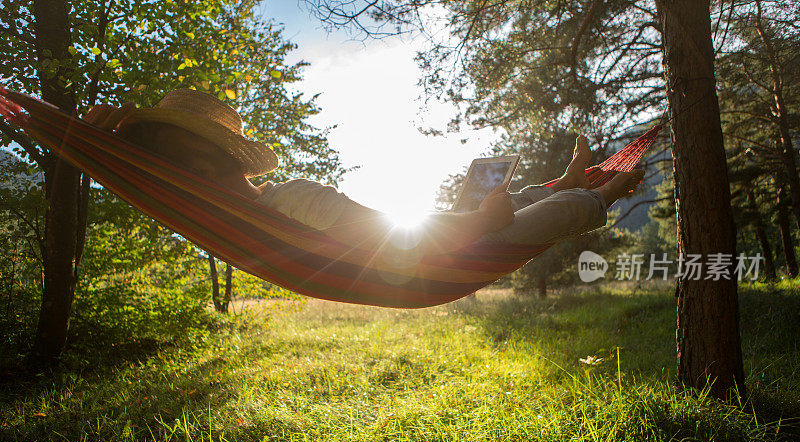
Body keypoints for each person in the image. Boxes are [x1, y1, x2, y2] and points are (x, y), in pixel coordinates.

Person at [83, 89, 644, 255]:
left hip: (438, 243)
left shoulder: (252, 209)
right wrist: (476, 221)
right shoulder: (293, 200)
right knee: (541, 215)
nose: (192, 166)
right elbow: (391, 242)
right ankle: (597, 194)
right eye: (185, 156)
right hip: (440, 257)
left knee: (511, 200)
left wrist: (112, 135)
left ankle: (569, 182)